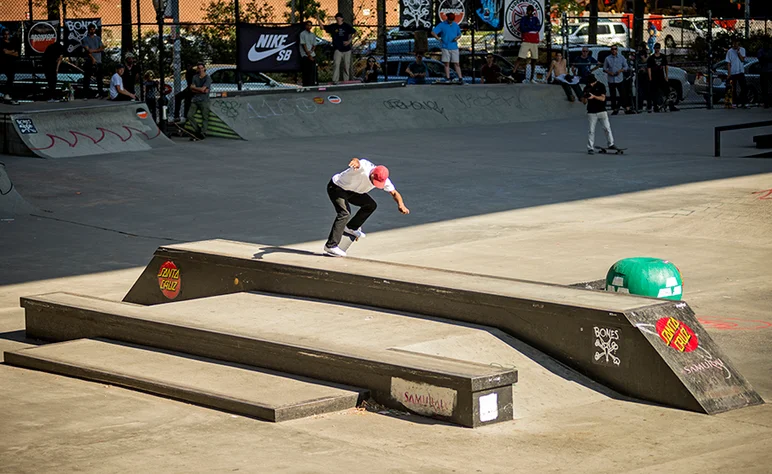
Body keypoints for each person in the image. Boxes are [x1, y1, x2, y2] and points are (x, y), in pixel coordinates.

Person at [324, 157, 409, 257]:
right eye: (374, 181)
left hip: (353, 191)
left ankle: (351, 227)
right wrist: (355, 163)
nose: (375, 184)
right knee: (344, 213)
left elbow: (394, 193)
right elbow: (357, 161)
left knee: (371, 205)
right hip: (337, 188)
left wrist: (401, 204)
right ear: (372, 174)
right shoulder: (363, 167)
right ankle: (331, 245)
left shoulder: (384, 179)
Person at [582, 75, 616, 155]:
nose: (590, 84)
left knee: (607, 128)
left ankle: (611, 143)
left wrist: (593, 96)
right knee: (591, 130)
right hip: (591, 111)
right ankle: (590, 147)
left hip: (601, 110)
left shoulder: (601, 86)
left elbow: (603, 98)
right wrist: (585, 97)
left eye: (591, 83)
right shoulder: (586, 87)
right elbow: (584, 102)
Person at [322, 13, 356, 84]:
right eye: (336, 18)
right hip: (337, 49)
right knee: (336, 64)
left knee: (346, 65)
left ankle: (346, 80)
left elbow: (355, 32)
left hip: (347, 49)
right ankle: (335, 80)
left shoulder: (346, 26)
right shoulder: (333, 26)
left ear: (342, 18)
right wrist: (318, 19)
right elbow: (323, 27)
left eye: (339, 18)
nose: (338, 19)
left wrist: (349, 41)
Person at [513, 5, 541, 83]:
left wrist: (528, 27)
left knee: (534, 59)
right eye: (528, 10)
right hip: (526, 40)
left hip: (534, 40)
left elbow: (538, 28)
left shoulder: (536, 19)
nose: (529, 12)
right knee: (520, 57)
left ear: (532, 11)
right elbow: (522, 28)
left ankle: (532, 77)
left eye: (530, 10)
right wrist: (531, 28)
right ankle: (513, 74)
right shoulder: (524, 18)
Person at [432, 13, 463, 83]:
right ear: (447, 18)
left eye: (452, 20)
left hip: (454, 46)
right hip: (445, 46)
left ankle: (460, 78)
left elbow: (459, 34)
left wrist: (456, 38)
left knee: (456, 63)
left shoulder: (455, 25)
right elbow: (433, 32)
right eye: (450, 20)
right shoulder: (442, 25)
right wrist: (438, 39)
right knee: (446, 63)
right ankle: (448, 78)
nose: (450, 21)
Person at [647, 43, 678, 112]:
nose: (657, 50)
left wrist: (666, 76)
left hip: (661, 77)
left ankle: (671, 105)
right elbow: (649, 68)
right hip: (654, 77)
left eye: (658, 48)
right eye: (656, 48)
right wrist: (650, 78)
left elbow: (665, 66)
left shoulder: (663, 57)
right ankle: (655, 107)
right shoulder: (651, 58)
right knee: (654, 92)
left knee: (667, 91)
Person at [604, 45, 633, 115]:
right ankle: (615, 109)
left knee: (623, 94)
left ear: (617, 50)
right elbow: (604, 68)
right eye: (612, 49)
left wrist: (620, 71)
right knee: (613, 95)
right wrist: (609, 72)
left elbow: (626, 66)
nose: (614, 50)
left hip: (619, 79)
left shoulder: (621, 57)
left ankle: (627, 108)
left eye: (615, 49)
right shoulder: (607, 58)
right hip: (611, 79)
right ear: (611, 50)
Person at [187, 61, 212, 140]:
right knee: (189, 115)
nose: (201, 70)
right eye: (199, 68)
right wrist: (200, 90)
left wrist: (196, 89)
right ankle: (198, 130)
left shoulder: (207, 78)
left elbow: (202, 89)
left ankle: (203, 132)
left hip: (204, 100)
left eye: (202, 68)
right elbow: (193, 89)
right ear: (197, 69)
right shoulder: (195, 77)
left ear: (204, 69)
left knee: (205, 117)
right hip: (195, 99)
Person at [81, 23, 105, 99]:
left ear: (95, 30)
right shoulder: (85, 39)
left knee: (99, 79)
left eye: (93, 29)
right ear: (88, 30)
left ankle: (100, 94)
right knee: (87, 79)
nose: (92, 30)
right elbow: (87, 50)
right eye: (91, 29)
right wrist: (92, 58)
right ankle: (85, 95)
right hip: (89, 61)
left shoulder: (98, 38)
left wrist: (93, 50)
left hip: (98, 61)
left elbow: (102, 48)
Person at [726, 39, 747, 109]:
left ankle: (743, 102)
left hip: (740, 71)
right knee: (733, 88)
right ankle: (734, 103)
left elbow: (742, 60)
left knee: (743, 87)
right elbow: (728, 63)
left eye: (736, 43)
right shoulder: (729, 51)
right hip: (733, 72)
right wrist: (729, 73)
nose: (735, 45)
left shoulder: (742, 50)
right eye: (734, 43)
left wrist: (738, 52)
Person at [1, 28, 19, 98]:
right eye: (5, 34)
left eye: (8, 34)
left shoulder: (12, 42)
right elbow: (5, 52)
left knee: (11, 78)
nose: (6, 36)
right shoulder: (1, 42)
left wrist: (8, 52)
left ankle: (7, 94)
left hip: (10, 64)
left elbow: (17, 54)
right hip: (2, 63)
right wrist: (12, 52)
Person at [299, 20, 317, 87]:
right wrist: (308, 55)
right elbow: (304, 45)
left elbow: (314, 44)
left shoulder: (312, 35)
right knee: (306, 72)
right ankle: (306, 85)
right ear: (305, 26)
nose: (309, 26)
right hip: (305, 56)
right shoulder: (302, 34)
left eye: (310, 25)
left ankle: (312, 84)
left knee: (312, 72)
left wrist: (312, 51)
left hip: (312, 55)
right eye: (308, 25)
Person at [635, 44, 651, 112]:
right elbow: (635, 68)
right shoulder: (638, 61)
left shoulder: (648, 61)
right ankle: (640, 107)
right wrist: (639, 70)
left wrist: (646, 70)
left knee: (648, 93)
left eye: (643, 56)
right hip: (640, 77)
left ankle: (649, 106)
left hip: (646, 77)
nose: (642, 57)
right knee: (640, 93)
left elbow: (650, 69)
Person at [759, 40, 772, 109]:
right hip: (765, 71)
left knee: (765, 88)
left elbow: (762, 59)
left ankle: (767, 102)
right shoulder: (761, 51)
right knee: (764, 88)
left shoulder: (764, 51)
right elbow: (761, 59)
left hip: (767, 70)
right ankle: (766, 103)